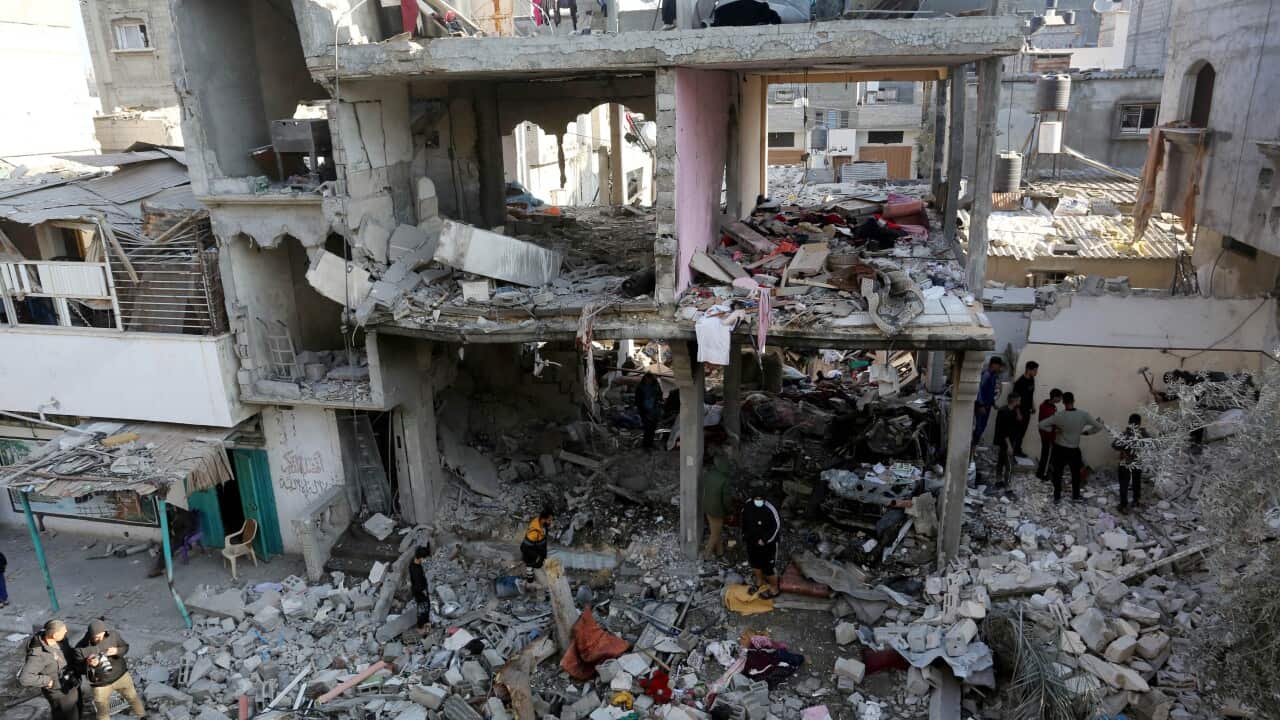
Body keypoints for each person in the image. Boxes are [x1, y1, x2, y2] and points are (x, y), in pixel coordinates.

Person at [1038, 392, 1104, 504]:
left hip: (1059, 449)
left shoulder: (1059, 415)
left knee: (1058, 473)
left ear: (1063, 402)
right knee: (1076, 474)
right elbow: (1099, 426)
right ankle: (1076, 496)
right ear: (1074, 401)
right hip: (1074, 449)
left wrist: (1054, 431)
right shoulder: (1083, 415)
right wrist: (1087, 433)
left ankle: (1057, 497)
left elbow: (1041, 425)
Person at [74, 618, 145, 720]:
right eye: (96, 637)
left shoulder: (113, 635)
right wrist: (89, 665)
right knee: (102, 711)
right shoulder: (80, 648)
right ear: (90, 635)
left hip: (121, 676)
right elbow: (78, 668)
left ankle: (142, 716)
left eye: (102, 635)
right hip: (100, 684)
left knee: (133, 698)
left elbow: (125, 647)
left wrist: (117, 650)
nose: (100, 639)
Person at [19, 619, 81, 720]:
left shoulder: (61, 640)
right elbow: (24, 678)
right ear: (54, 635)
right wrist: (47, 681)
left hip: (71, 682)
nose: (66, 632)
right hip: (59, 693)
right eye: (63, 631)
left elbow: (68, 653)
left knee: (76, 710)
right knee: (66, 715)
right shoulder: (38, 655)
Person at [741, 496, 781, 599]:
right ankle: (759, 582)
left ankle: (774, 589)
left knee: (768, 568)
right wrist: (745, 535)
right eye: (756, 498)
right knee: (754, 563)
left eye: (760, 499)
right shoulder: (748, 505)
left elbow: (776, 527)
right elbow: (743, 519)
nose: (758, 501)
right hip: (752, 541)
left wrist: (765, 540)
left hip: (768, 544)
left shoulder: (770, 508)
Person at [1113, 414, 1149, 513]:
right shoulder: (1144, 434)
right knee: (1136, 482)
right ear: (1139, 423)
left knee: (1124, 483)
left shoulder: (1125, 434)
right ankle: (1136, 501)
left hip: (1125, 461)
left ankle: (1124, 505)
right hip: (1137, 461)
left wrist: (1124, 448)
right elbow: (1150, 444)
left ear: (1129, 423)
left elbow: (1114, 445)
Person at [701, 450, 733, 558]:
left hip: (707, 508)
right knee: (714, 535)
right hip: (717, 512)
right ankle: (706, 556)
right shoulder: (725, 480)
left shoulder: (710, 474)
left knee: (715, 531)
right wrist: (730, 512)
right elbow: (727, 500)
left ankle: (720, 552)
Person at [971, 356, 1004, 449]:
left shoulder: (993, 375)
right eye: (999, 366)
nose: (999, 368)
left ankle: (974, 446)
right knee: (978, 427)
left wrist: (993, 403)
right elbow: (979, 389)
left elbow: (991, 391)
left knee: (982, 426)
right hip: (982, 406)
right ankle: (972, 447)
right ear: (994, 365)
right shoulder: (987, 374)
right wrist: (980, 405)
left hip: (988, 406)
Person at [992, 394, 1022, 489]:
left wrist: (1017, 411)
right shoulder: (1005, 412)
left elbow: (1020, 419)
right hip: (1006, 441)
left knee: (1001, 461)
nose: (1020, 402)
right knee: (1009, 464)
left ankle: (998, 480)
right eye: (1019, 400)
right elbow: (1004, 431)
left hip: (1006, 440)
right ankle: (1007, 485)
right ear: (1015, 401)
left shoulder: (1012, 411)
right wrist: (1009, 446)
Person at [1011, 361, 1039, 456]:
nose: (1036, 372)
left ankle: (1018, 450)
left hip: (1027, 410)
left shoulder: (1032, 379)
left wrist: (1033, 406)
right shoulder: (1020, 382)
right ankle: (1011, 450)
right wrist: (1018, 413)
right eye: (1035, 370)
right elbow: (1014, 399)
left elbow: (1030, 394)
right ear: (1028, 369)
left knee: (1022, 432)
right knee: (1016, 431)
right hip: (1020, 410)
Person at [1036, 388, 1063, 480]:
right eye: (1059, 397)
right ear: (1055, 397)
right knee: (1046, 455)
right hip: (1046, 434)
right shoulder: (1045, 407)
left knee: (1049, 455)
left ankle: (1045, 473)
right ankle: (1042, 474)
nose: (1060, 400)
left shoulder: (1053, 406)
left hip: (1051, 434)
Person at [520, 507, 554, 579]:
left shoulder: (542, 524)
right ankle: (530, 579)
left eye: (551, 520)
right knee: (531, 570)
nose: (551, 522)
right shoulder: (534, 532)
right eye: (549, 520)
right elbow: (524, 548)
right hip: (532, 555)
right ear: (543, 519)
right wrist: (538, 558)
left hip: (540, 549)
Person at [635, 372, 664, 450]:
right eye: (647, 379)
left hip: (655, 410)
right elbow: (638, 400)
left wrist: (658, 401)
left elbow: (660, 395)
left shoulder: (656, 385)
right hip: (645, 411)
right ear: (645, 379)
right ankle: (646, 445)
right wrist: (642, 410)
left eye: (650, 379)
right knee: (647, 428)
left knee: (653, 427)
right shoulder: (640, 387)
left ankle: (650, 443)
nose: (649, 381)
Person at [408, 546, 432, 631]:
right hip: (419, 592)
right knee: (423, 609)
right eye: (425, 558)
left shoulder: (413, 563)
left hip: (417, 590)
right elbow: (418, 585)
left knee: (422, 609)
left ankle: (423, 625)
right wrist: (424, 591)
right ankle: (422, 627)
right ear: (421, 558)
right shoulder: (416, 570)